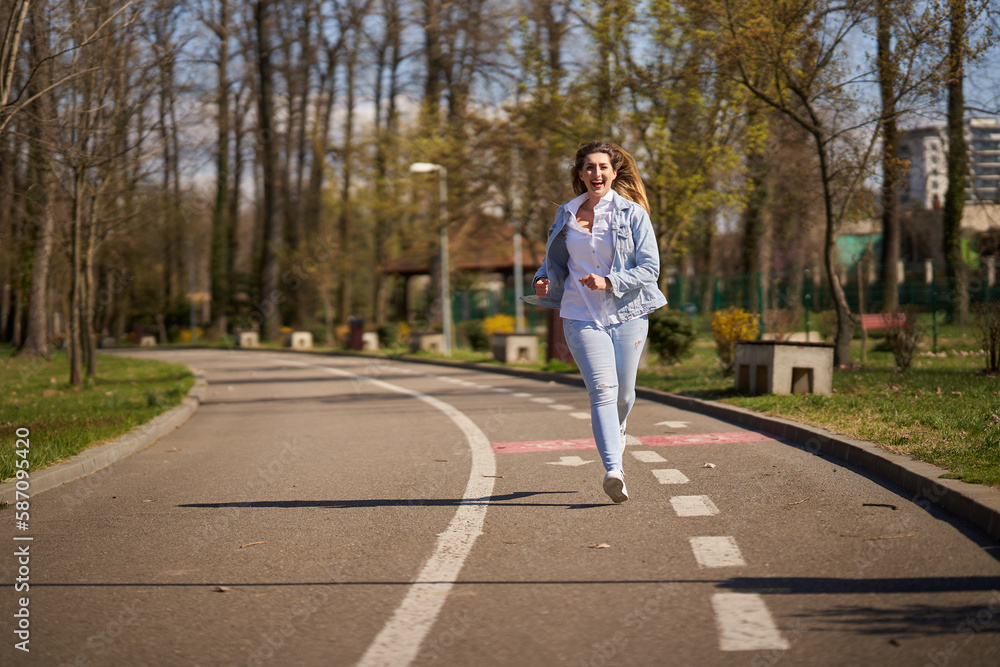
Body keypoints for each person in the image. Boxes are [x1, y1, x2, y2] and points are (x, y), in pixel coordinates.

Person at [523, 141, 667, 503]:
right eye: (589, 167)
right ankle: (614, 470)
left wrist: (610, 281)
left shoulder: (632, 214)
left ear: (614, 173)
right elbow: (554, 261)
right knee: (602, 391)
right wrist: (542, 279)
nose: (596, 173)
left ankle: (618, 430)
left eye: (603, 167)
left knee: (624, 394)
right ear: (580, 174)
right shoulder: (566, 214)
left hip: (628, 314)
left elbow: (650, 269)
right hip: (580, 314)